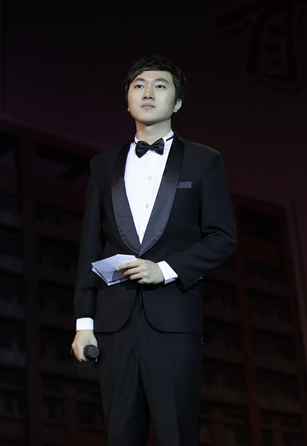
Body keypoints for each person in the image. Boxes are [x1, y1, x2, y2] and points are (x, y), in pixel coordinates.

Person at [71, 54, 238, 446]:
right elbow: (90, 248)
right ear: (127, 99)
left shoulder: (204, 161)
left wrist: (163, 269)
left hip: (174, 319)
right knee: (120, 434)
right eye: (138, 85)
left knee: (176, 433)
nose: (147, 92)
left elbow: (223, 237)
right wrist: (83, 324)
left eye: (160, 86)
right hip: (114, 323)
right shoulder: (102, 165)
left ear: (177, 102)